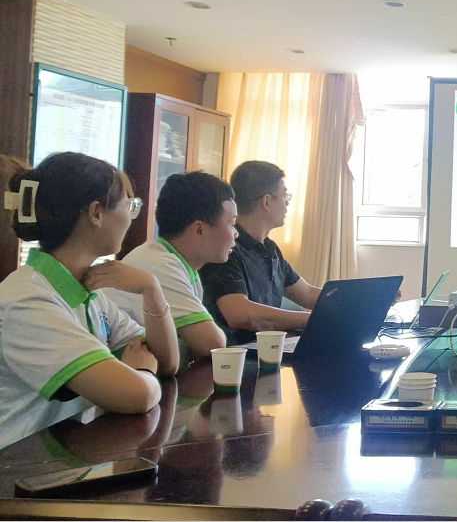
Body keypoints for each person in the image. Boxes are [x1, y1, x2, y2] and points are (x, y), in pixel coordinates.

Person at [0, 152, 178, 449]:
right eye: (129, 205)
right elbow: (138, 395)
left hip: (64, 457)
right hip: (18, 467)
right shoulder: (28, 301)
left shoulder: (88, 291)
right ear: (96, 213)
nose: (131, 217)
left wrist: (152, 291)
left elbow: (167, 362)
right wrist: (143, 373)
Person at [109, 172, 236, 361]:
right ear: (199, 229)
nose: (235, 234)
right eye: (232, 224)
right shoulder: (160, 266)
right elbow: (213, 344)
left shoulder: (178, 264)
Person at [200, 161, 321, 345]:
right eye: (284, 196)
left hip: (267, 349)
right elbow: (240, 314)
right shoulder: (225, 249)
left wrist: (352, 304)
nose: (287, 203)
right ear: (267, 201)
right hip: (236, 355)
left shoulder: (270, 249)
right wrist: (312, 319)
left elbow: (307, 293)